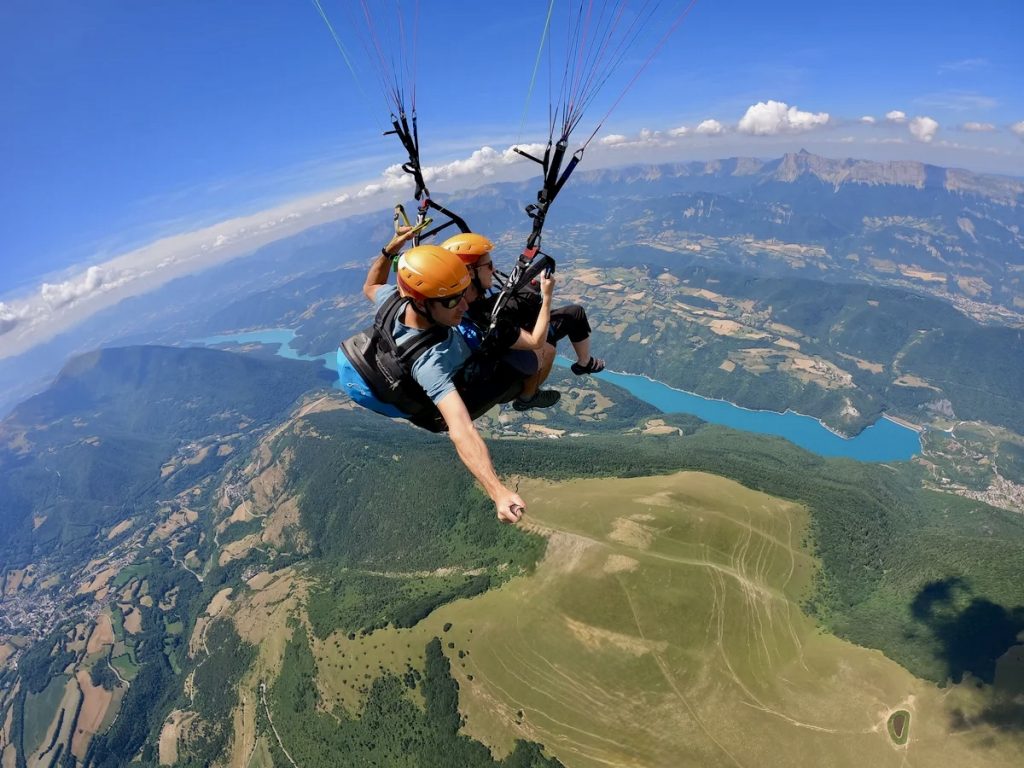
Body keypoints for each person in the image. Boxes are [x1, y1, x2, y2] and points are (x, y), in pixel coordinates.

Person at [337, 230, 527, 524]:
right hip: (428, 407)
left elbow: (371, 285)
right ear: (422, 303)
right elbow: (461, 429)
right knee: (529, 362)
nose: (464, 306)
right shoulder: (428, 362)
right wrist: (498, 491)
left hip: (394, 361)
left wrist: (391, 248)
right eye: (452, 302)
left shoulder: (394, 299)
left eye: (463, 295)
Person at [441, 232, 605, 385]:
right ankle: (529, 396)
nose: (494, 269)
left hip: (505, 336)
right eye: (489, 265)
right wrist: (547, 296)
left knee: (572, 312)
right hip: (510, 356)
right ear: (469, 272)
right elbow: (536, 341)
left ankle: (584, 362)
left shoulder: (462, 300)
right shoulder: (483, 316)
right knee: (553, 340)